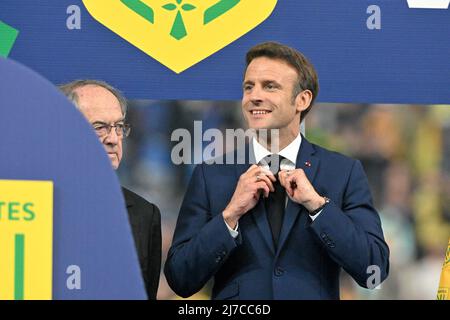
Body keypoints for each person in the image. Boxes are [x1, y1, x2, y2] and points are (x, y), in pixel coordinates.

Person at [164, 42, 390, 299]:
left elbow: (375, 269)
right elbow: (180, 278)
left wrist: (318, 207)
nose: (254, 96)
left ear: (302, 100)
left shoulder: (343, 172)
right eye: (249, 87)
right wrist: (229, 216)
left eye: (270, 86)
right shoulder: (211, 174)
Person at [59, 80, 161, 299]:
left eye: (119, 127)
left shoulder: (144, 214)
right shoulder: (34, 204)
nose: (114, 139)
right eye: (99, 127)